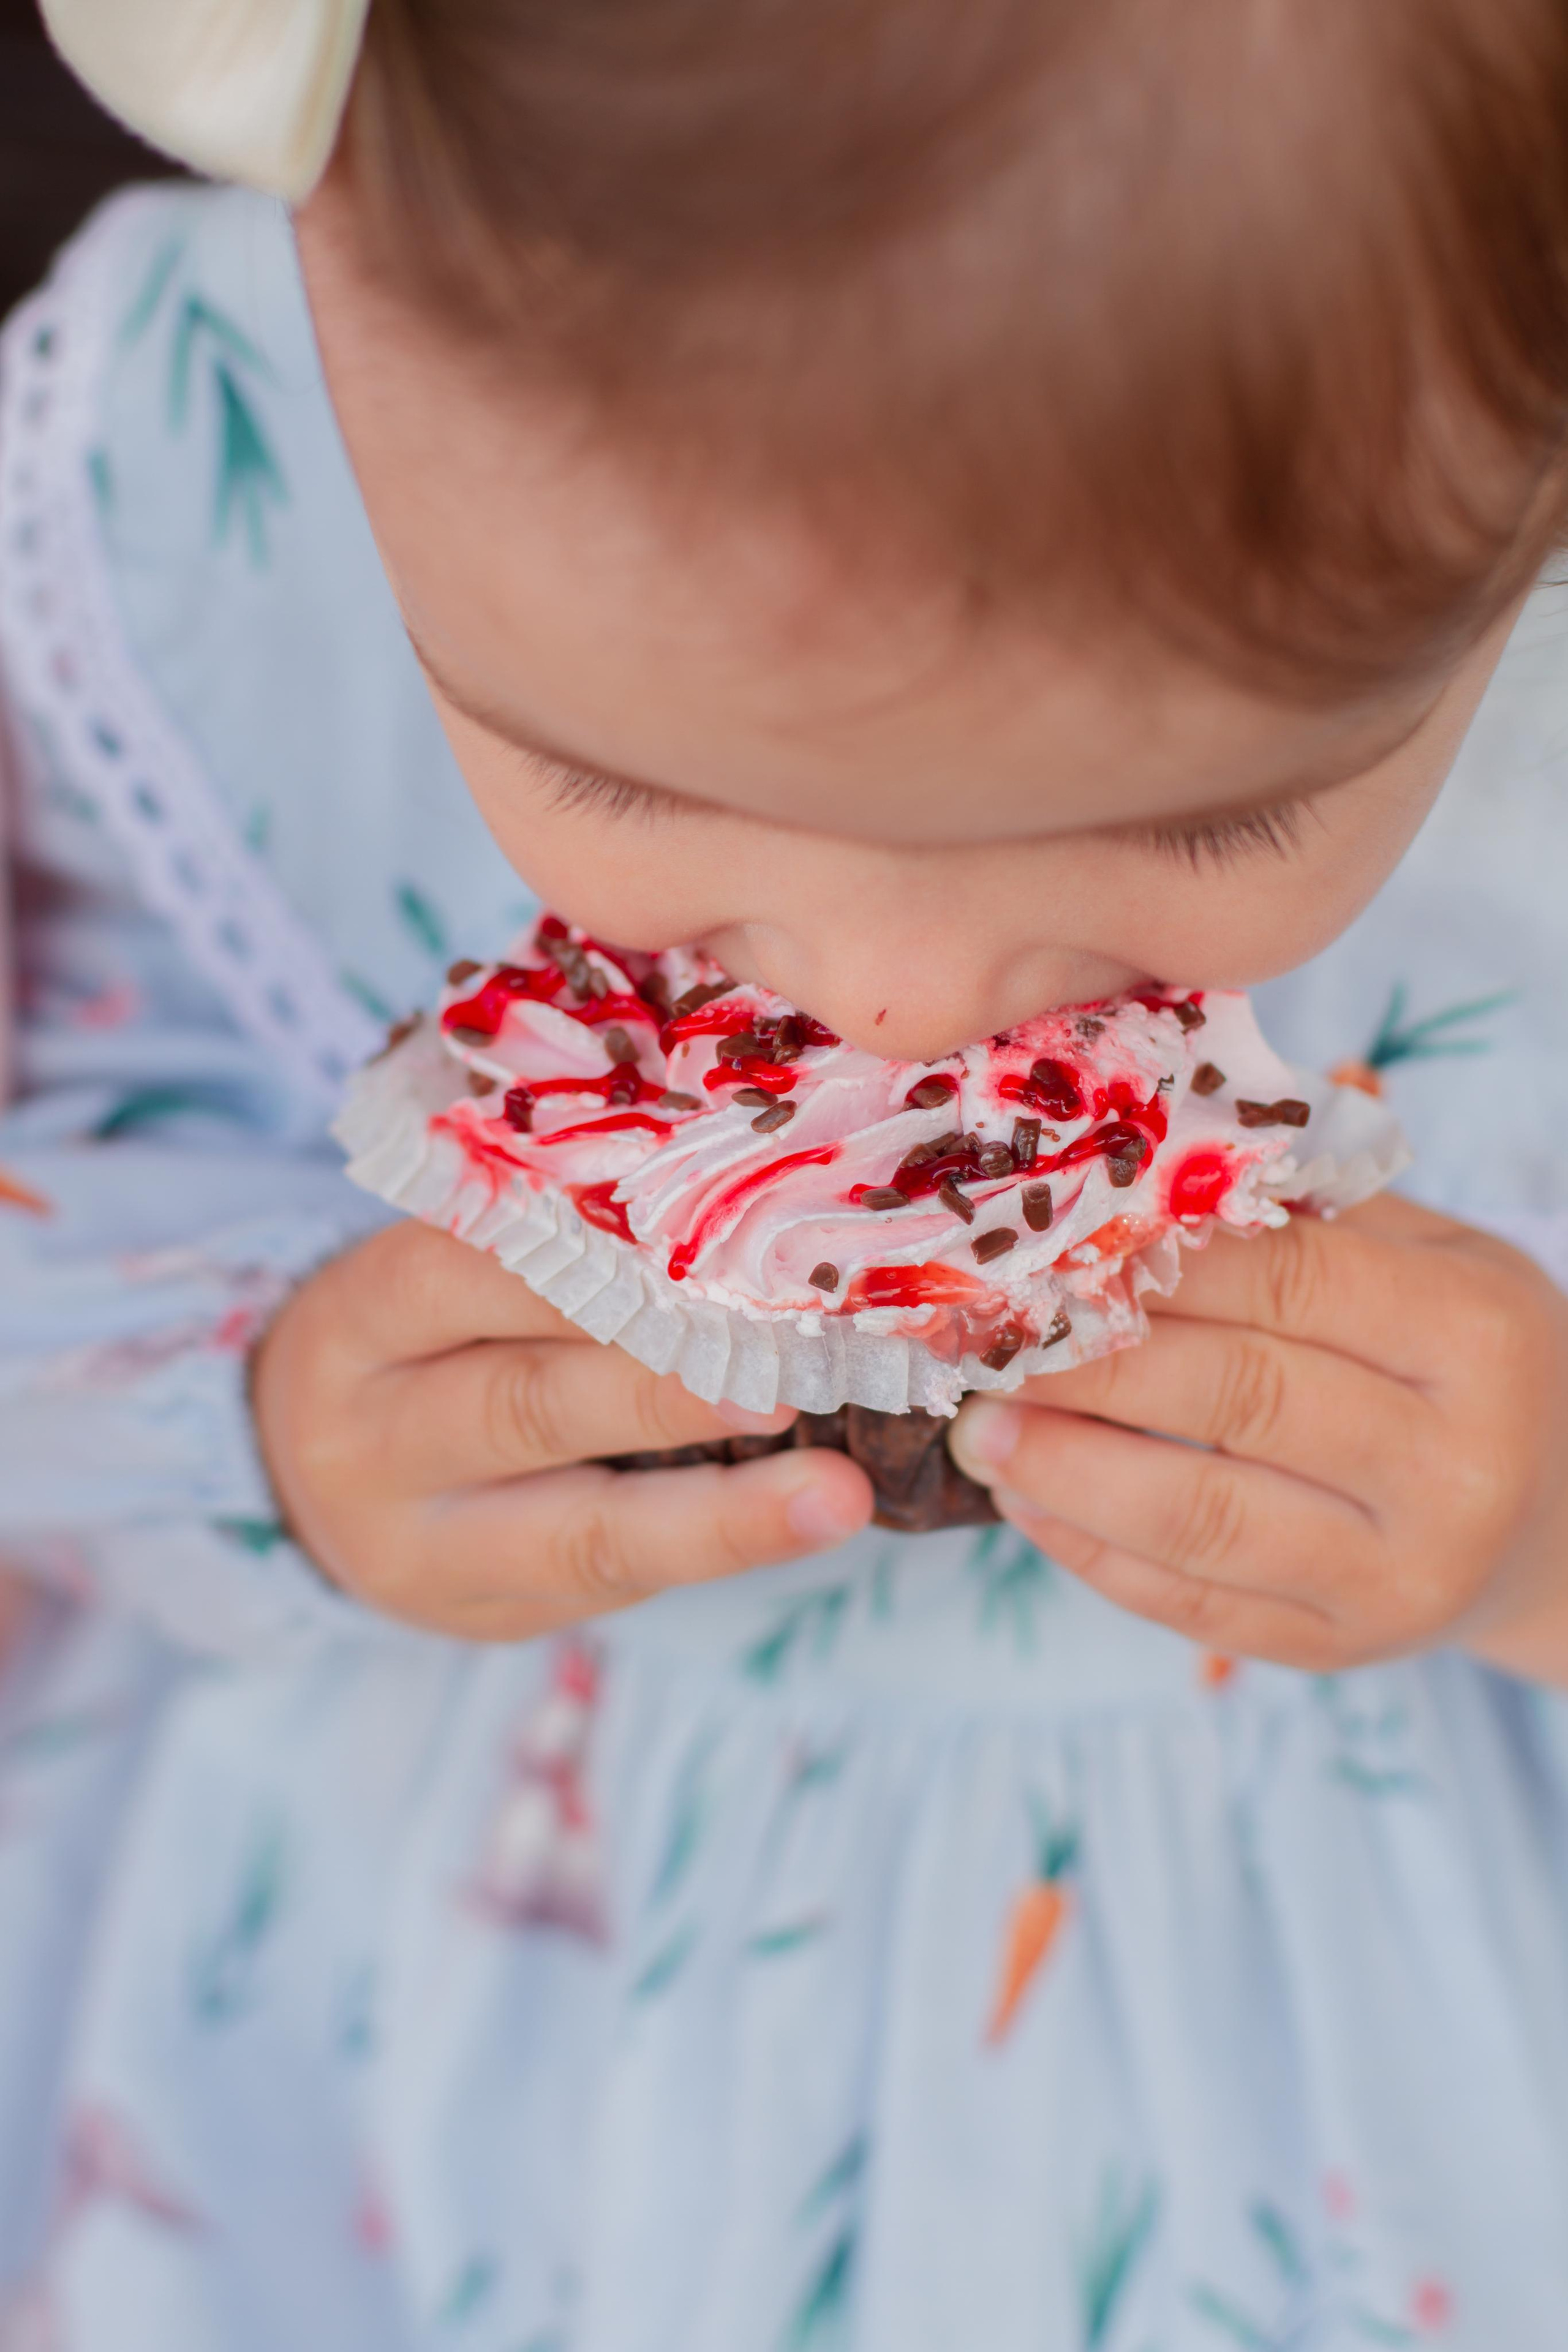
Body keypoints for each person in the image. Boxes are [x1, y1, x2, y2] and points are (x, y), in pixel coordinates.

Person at [4, 0, 1568, 2343]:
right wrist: (249, 1419)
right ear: (345, 297)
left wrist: (1539, 1528)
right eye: (615, 785)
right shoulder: (202, 509)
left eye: (1212, 822)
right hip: (408, 2130)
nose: (901, 1012)